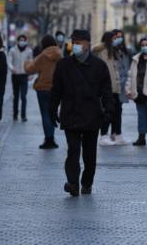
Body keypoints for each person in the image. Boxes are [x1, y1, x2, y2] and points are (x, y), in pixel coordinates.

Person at [50, 29, 114, 196]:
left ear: (87, 44)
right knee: (72, 150)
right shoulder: (63, 65)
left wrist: (109, 112)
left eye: (78, 42)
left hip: (92, 116)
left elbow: (107, 91)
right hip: (70, 114)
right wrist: (52, 109)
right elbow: (56, 90)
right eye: (73, 42)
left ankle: (87, 182)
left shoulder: (99, 66)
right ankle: (72, 183)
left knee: (89, 154)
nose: (75, 45)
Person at [92, 31, 130, 146]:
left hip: (115, 88)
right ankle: (103, 135)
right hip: (107, 88)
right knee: (107, 112)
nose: (116, 41)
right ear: (108, 40)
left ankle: (117, 134)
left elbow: (115, 71)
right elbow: (105, 71)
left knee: (117, 111)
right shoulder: (103, 52)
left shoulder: (112, 52)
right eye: (113, 38)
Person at [25, 35, 63, 149]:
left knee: (45, 114)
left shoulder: (42, 56)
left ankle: (49, 139)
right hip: (56, 89)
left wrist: (26, 62)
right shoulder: (60, 55)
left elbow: (30, 69)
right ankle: (52, 138)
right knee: (52, 113)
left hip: (43, 89)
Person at [7, 34, 33, 121]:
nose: (22, 42)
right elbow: (9, 61)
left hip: (24, 76)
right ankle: (15, 114)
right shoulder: (12, 50)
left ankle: (23, 115)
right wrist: (11, 68)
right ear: (17, 41)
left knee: (23, 96)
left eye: (23, 40)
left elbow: (31, 63)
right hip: (15, 75)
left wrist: (30, 74)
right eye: (20, 40)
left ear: (26, 41)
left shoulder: (29, 51)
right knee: (16, 96)